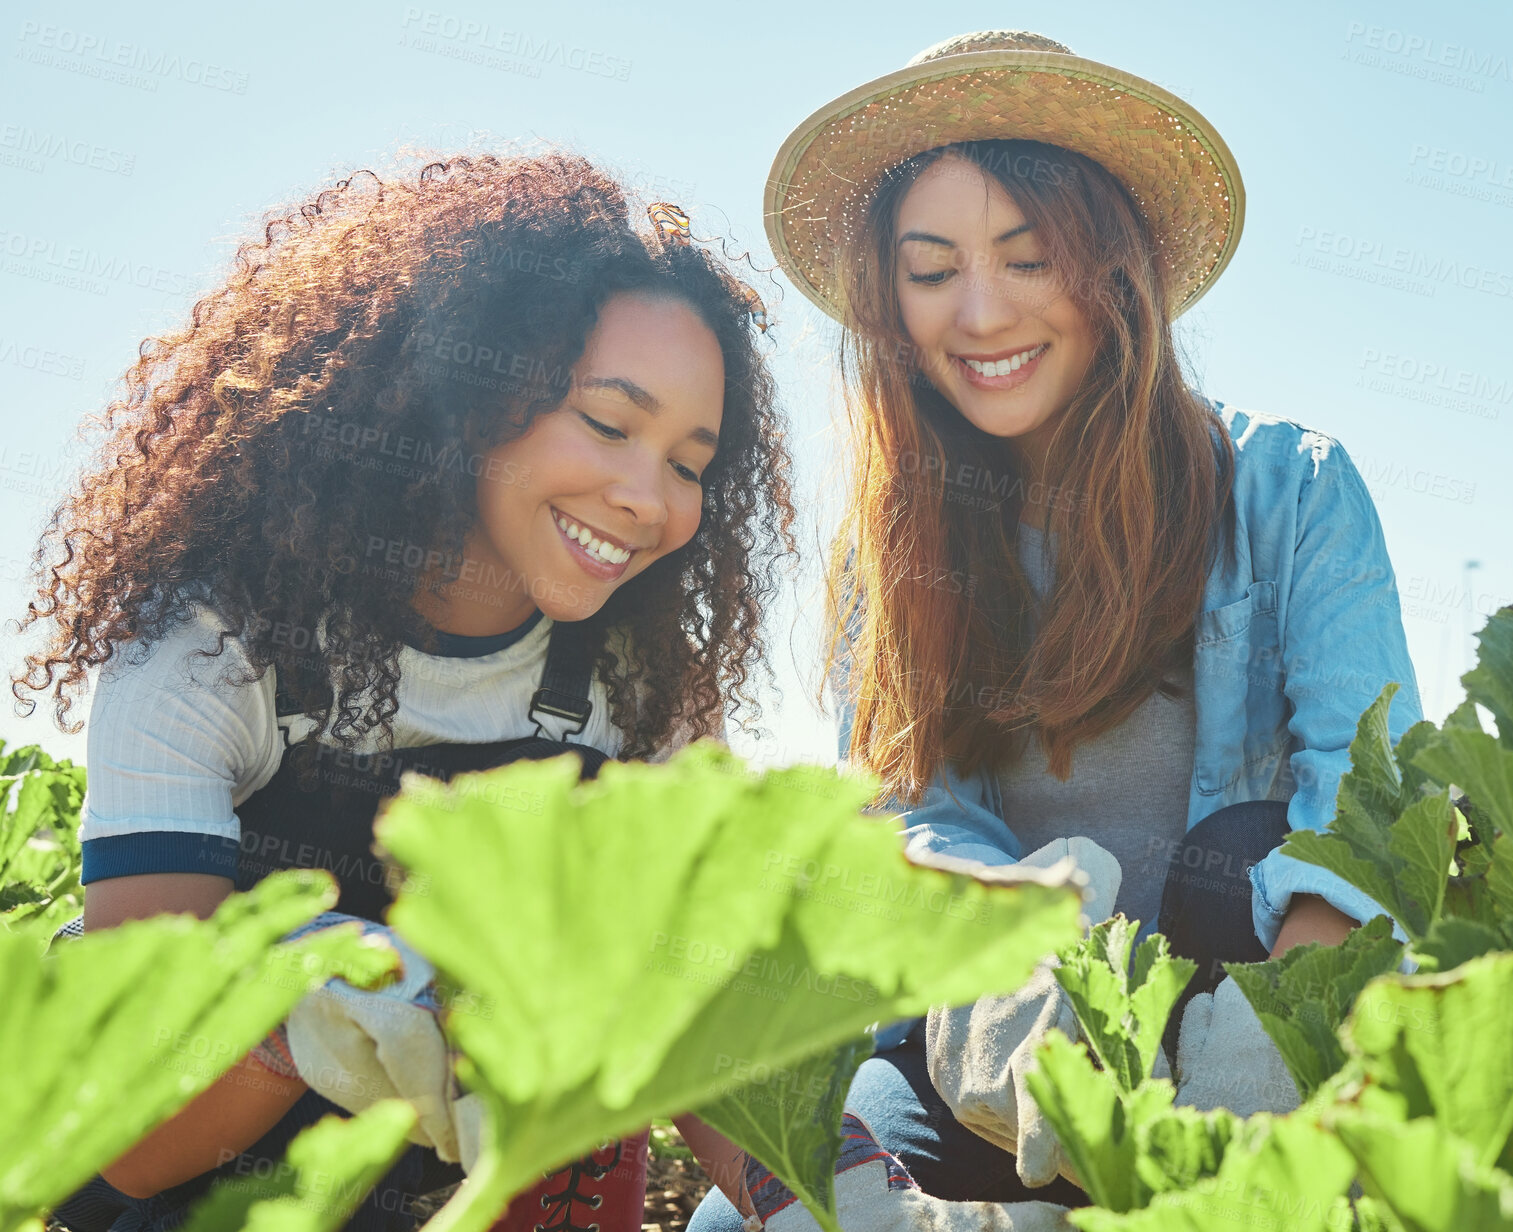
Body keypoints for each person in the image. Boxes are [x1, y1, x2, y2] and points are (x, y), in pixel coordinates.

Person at [689, 29, 1422, 1229]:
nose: (979, 314)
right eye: (931, 271)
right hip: (1007, 1025)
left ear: (1110, 268)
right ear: (889, 300)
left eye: (1027, 258)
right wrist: (1019, 1020)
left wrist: (1255, 1077)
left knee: (1238, 843)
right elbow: (914, 818)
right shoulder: (892, 546)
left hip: (1249, 987)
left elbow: (1361, 804)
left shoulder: (1290, 487)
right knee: (761, 1221)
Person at [12, 151, 795, 1232]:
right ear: (463, 398)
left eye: (689, 462)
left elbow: (711, 1009)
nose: (644, 499)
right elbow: (130, 1140)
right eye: (609, 425)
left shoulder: (639, 684)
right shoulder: (213, 648)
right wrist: (299, 1021)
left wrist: (821, 1190)